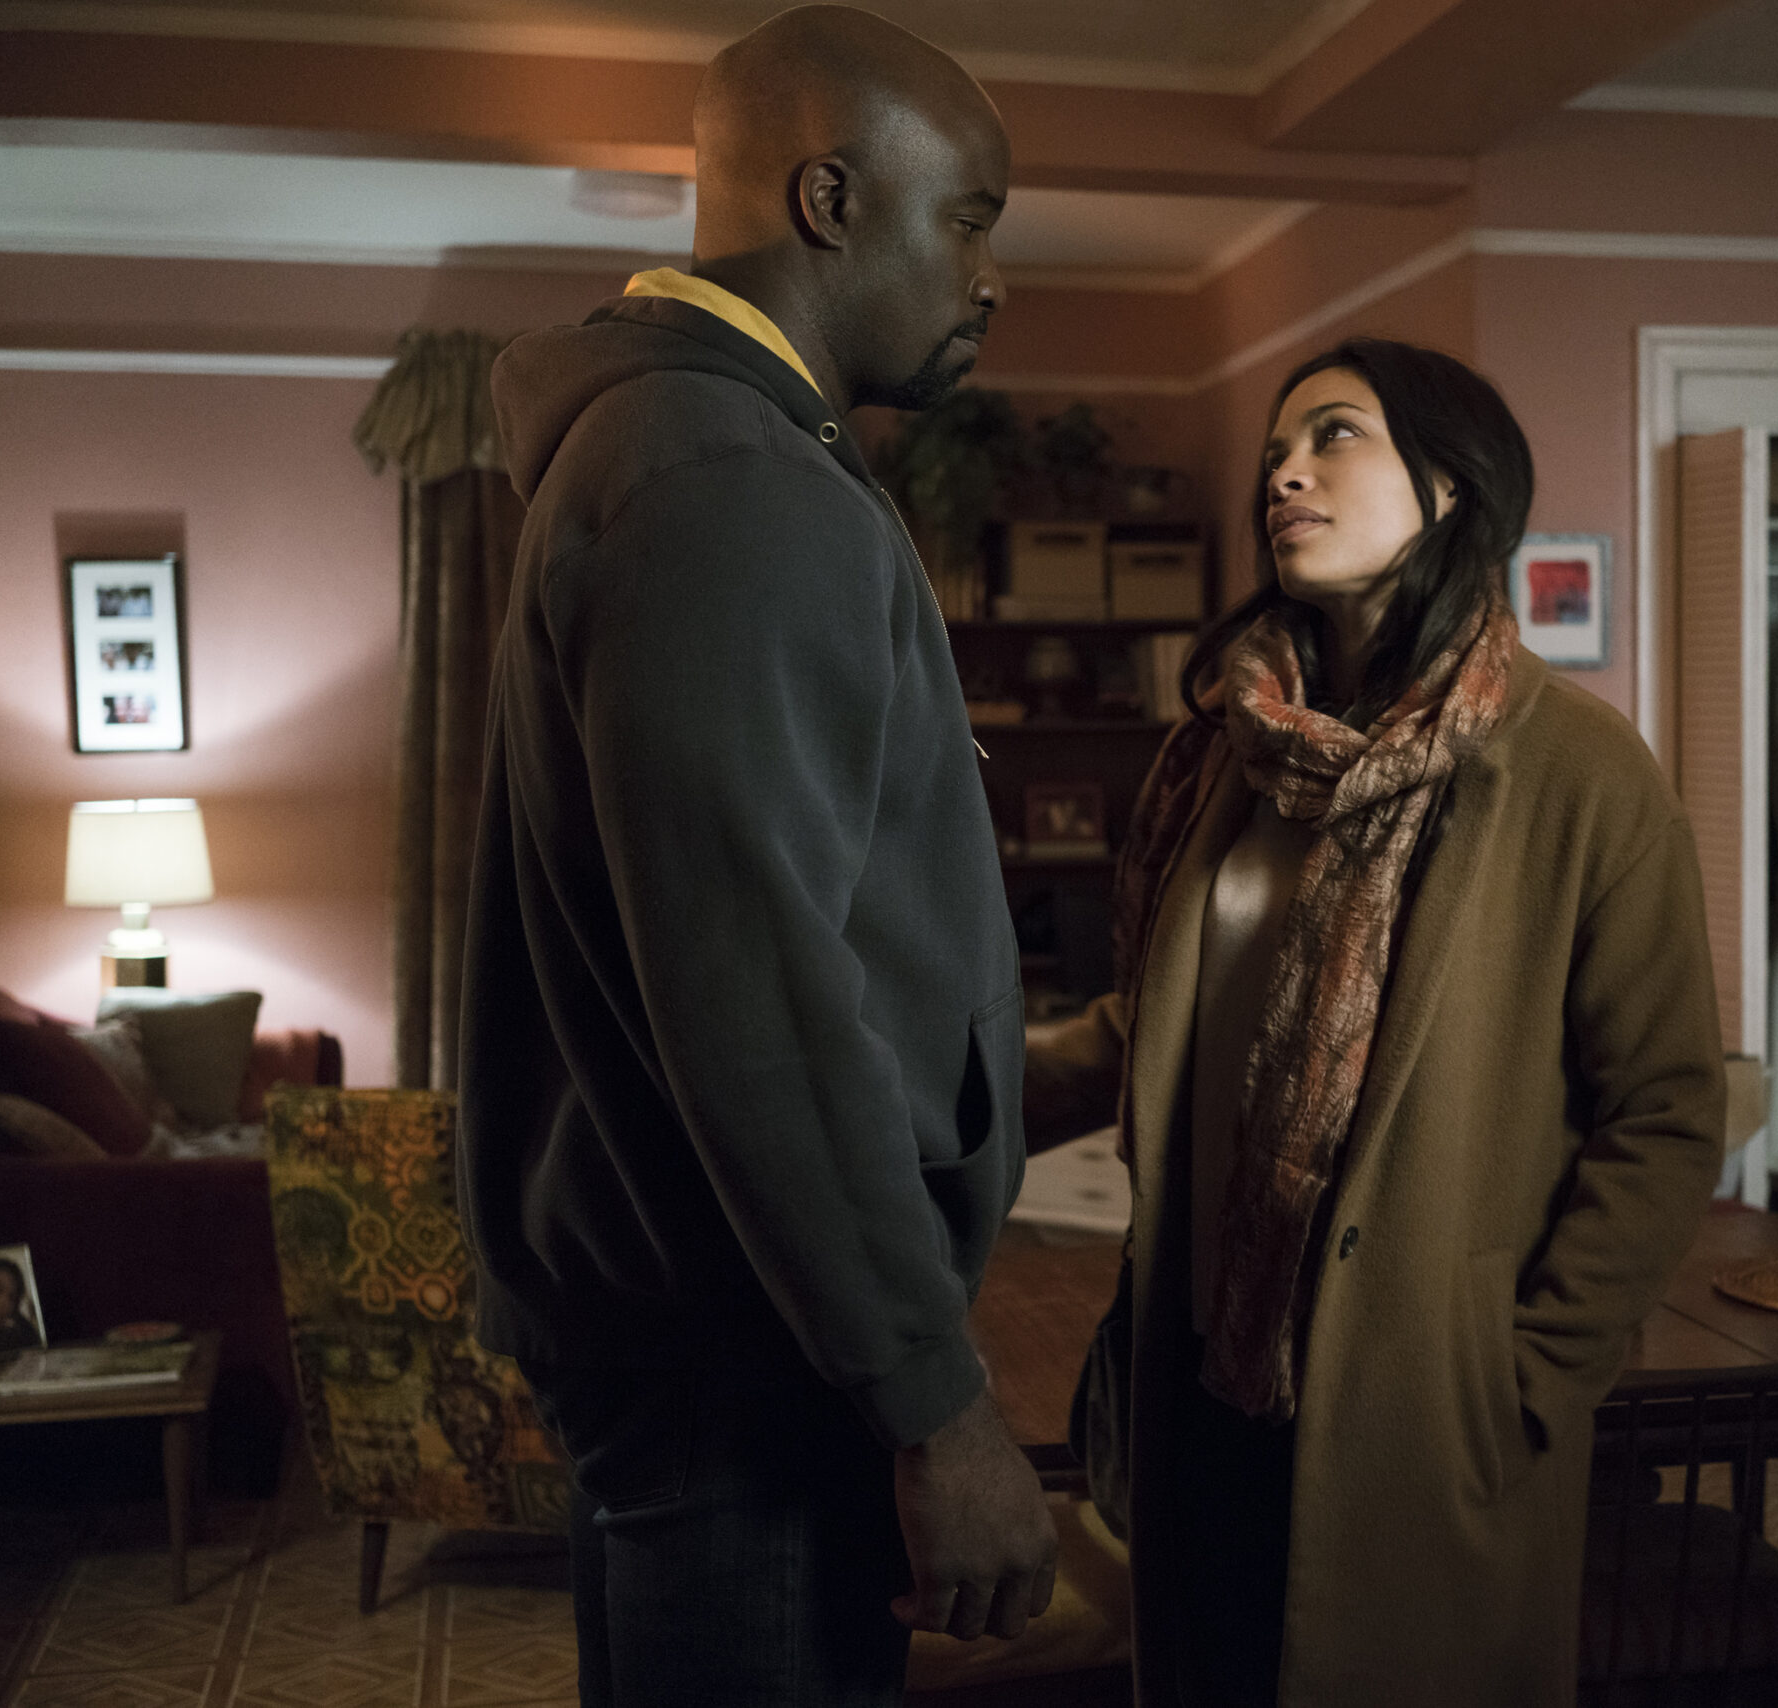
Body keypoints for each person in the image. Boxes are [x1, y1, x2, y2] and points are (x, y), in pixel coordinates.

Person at [456, 8, 1055, 1705]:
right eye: (968, 219)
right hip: (754, 1364)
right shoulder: (723, 478)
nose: (991, 277)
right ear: (829, 199)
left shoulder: (695, 452)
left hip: (708, 1330)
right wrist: (935, 1401)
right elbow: (761, 1004)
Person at [1026, 338, 1726, 1706]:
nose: (1284, 472)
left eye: (1334, 435)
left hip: (1421, 1409)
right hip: (1203, 1371)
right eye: (1276, 451)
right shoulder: (1223, 753)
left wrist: (1524, 1378)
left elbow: (1664, 1109)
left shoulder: (1580, 773)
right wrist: (954, 1077)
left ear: (1453, 487)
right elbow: (1161, 1022)